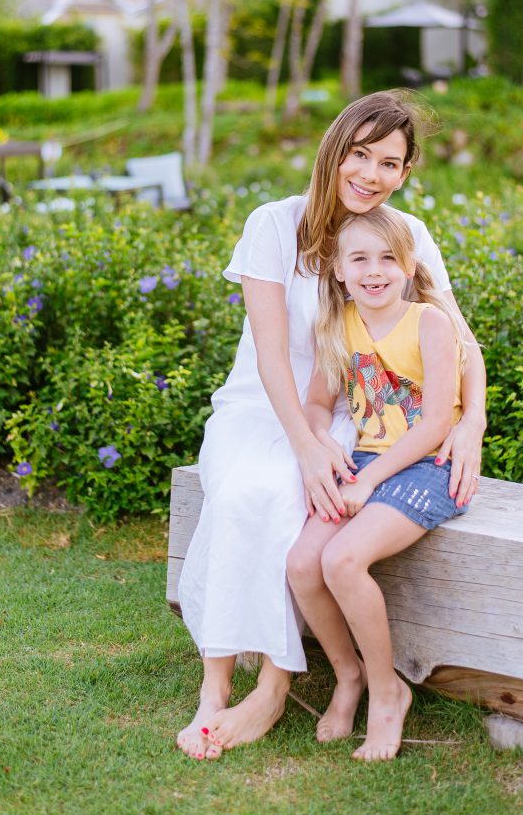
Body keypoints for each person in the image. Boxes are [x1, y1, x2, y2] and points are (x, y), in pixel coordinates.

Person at [176, 91, 486, 760]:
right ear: (335, 146)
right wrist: (306, 445)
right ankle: (215, 683)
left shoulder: (404, 236)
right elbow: (268, 353)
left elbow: (460, 341)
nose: (371, 173)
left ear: (406, 173)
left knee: (295, 500)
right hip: (267, 404)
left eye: (390, 162)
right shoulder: (274, 223)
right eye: (360, 152)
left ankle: (275, 683)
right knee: (247, 489)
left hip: (361, 417)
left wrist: (473, 424)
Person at [287, 207, 468, 761]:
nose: (374, 270)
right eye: (359, 258)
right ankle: (350, 676)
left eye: (388, 258)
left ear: (409, 265)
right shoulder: (338, 323)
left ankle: (389, 692)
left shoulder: (429, 323)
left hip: (427, 467)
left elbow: (438, 424)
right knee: (301, 565)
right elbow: (318, 402)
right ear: (338, 270)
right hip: (365, 460)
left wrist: (367, 481)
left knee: (342, 560)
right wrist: (322, 439)